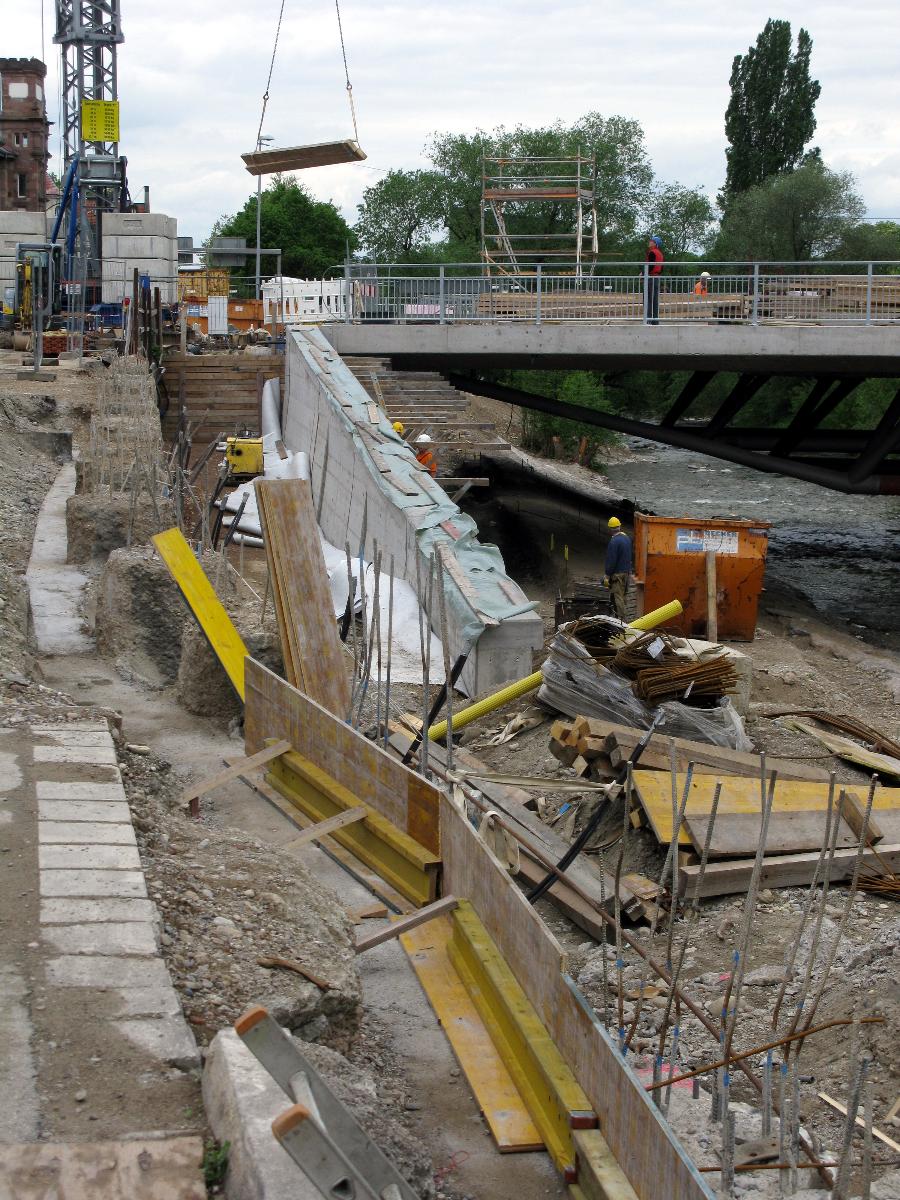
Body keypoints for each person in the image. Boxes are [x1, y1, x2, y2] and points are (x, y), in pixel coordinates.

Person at [603, 516, 632, 621]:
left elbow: (611, 561)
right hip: (627, 572)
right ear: (619, 526)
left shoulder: (614, 542)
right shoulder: (626, 538)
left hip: (618, 575)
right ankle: (622, 617)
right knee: (623, 595)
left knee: (617, 597)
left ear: (610, 529)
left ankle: (621, 620)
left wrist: (607, 575)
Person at [645, 235, 664, 324]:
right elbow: (661, 267)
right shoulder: (660, 253)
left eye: (651, 241)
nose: (649, 242)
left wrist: (643, 273)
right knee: (655, 300)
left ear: (655, 243)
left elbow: (650, 266)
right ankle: (655, 321)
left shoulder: (652, 252)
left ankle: (648, 320)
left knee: (648, 300)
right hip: (657, 278)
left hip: (651, 278)